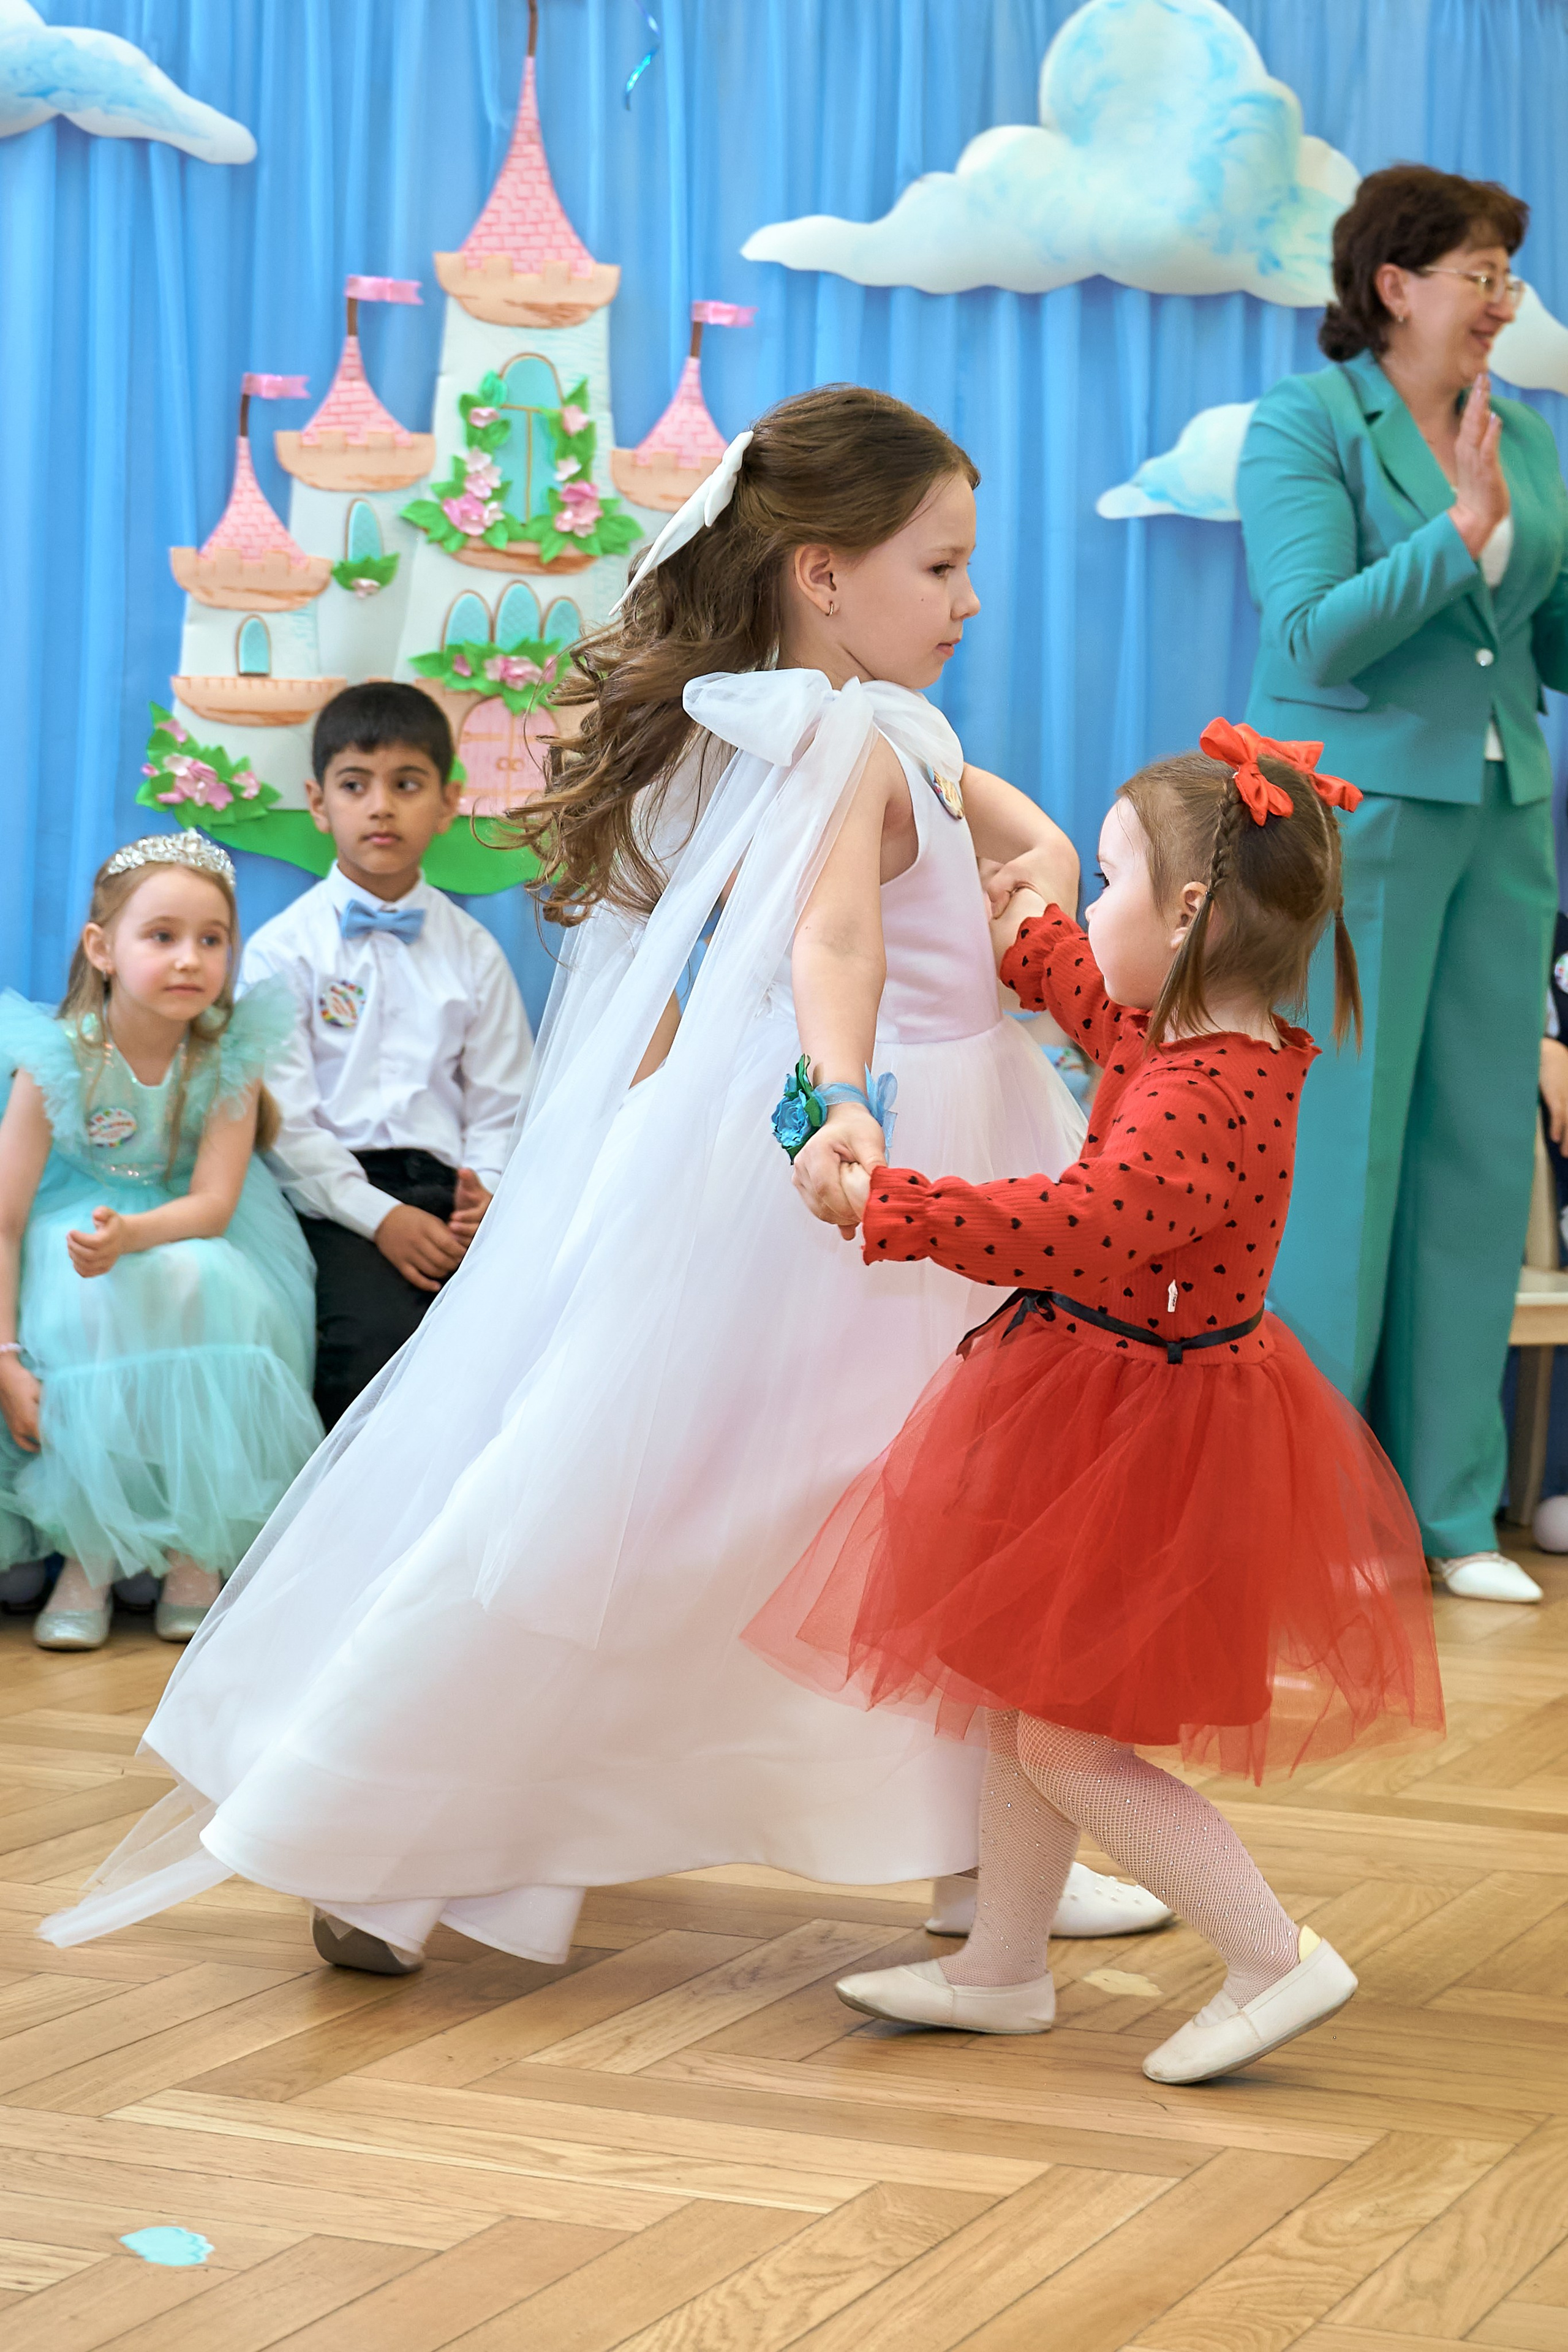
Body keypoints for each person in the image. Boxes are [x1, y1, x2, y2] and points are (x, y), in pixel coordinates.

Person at [42, 386, 1166, 1966]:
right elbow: (831, 938)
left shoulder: (866, 726)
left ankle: (978, 1860)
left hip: (939, 1151)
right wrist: (846, 1092)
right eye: (938, 566)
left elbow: (1006, 829)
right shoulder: (837, 739)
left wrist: (1037, 864)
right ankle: (376, 1828)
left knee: (926, 1517)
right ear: (820, 575)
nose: (969, 599)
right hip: (870, 1164)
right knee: (664, 1515)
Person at [747, 724, 1444, 2085]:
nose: (1091, 899)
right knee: (1026, 1703)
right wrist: (1038, 938)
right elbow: (1109, 1022)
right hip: (1112, 1392)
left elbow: (1079, 1225)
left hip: (1146, 1434)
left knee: (1067, 1738)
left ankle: (1270, 1955)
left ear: (1186, 914)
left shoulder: (1207, 1096)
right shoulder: (1203, 1035)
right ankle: (999, 1968)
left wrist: (897, 1205)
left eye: (1110, 880)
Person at [1236, 164, 1568, 1607]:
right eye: (1479, 273)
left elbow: (1542, 639)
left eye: (1507, 275)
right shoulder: (1303, 423)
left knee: (1475, 1156)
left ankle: (1447, 1512)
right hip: (1352, 817)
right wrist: (1457, 534)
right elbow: (1308, 638)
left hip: (1500, 813)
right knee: (1342, 1158)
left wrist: (1510, 537)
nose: (1500, 301)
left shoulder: (1524, 435)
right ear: (1393, 284)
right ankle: (1318, 1512)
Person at [0, 836, 320, 1651]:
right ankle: (91, 1554)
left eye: (212, 940)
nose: (190, 959)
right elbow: (5, 1219)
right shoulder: (57, 1058)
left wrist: (133, 1235)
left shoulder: (228, 1058)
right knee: (91, 1294)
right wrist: (5, 1357)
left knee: (205, 1280)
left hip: (175, 1224)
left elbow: (212, 1205)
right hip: (69, 1229)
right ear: (101, 948)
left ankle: (192, 1553)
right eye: (163, 936)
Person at [239, 683, 533, 1430]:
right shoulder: (282, 951)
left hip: (457, 1196)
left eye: (406, 785)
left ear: (447, 802)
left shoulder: (474, 951)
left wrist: (486, 1193)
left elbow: (503, 1100)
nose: (380, 807)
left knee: (510, 1348)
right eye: (354, 785)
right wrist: (382, 1218)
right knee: (370, 1345)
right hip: (338, 1200)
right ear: (317, 802)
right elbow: (284, 1123)